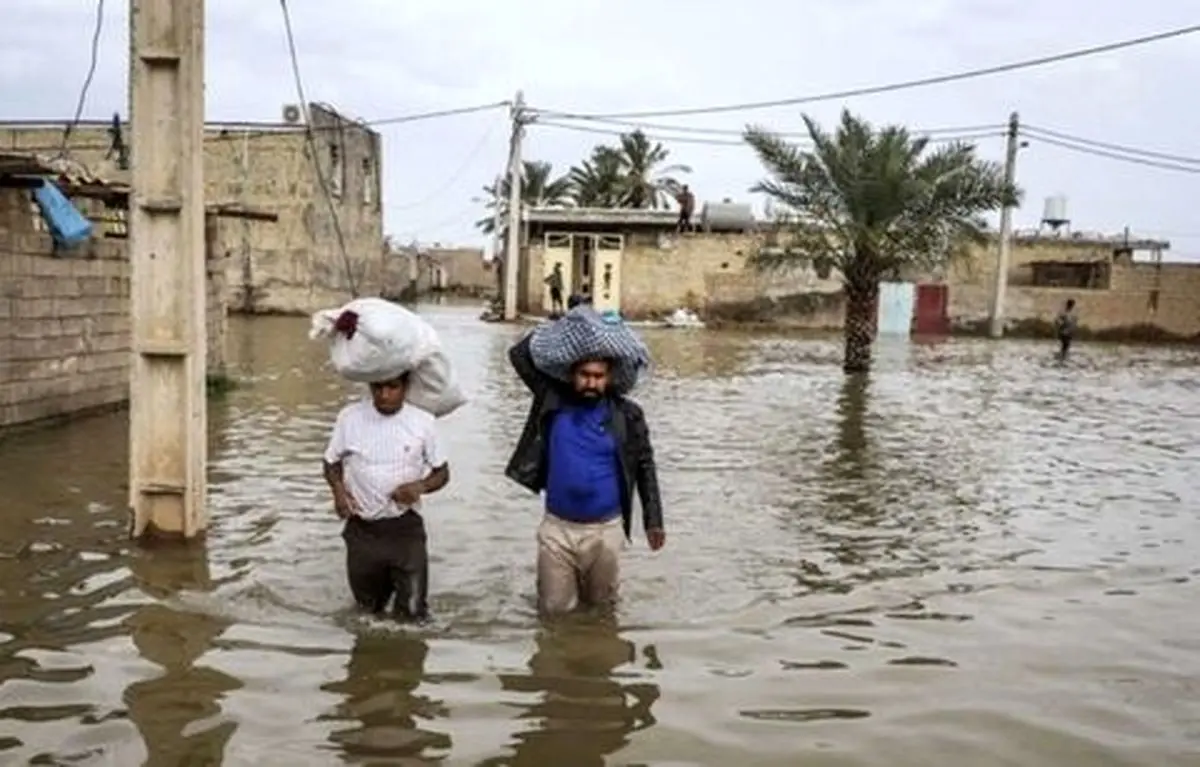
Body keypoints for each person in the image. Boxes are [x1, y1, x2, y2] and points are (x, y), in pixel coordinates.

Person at [505, 332, 666, 616]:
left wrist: (654, 520)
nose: (591, 382)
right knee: (553, 613)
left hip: (605, 532)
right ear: (571, 374)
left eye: (599, 376)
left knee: (603, 612)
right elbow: (519, 355)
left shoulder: (627, 415)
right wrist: (565, 325)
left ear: (610, 377)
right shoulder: (552, 400)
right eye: (584, 374)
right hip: (557, 530)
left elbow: (644, 465)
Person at [322, 373, 450, 621]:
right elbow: (331, 462)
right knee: (368, 614)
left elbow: (442, 473)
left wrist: (419, 487)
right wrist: (338, 491)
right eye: (378, 387)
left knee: (414, 615)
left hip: (405, 529)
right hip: (362, 530)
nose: (384, 395)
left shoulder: (422, 422)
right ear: (370, 386)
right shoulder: (350, 418)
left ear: (405, 387)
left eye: (393, 387)